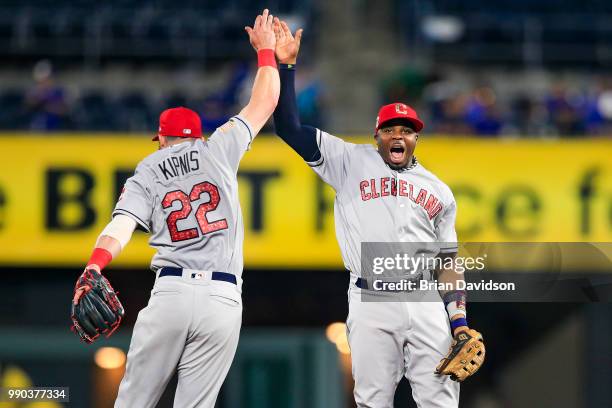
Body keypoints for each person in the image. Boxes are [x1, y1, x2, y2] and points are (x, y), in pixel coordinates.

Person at [70, 9, 280, 408]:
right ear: (196, 135)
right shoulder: (218, 147)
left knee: (132, 402)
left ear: (162, 138)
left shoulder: (148, 169)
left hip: (172, 291)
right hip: (223, 297)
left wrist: (94, 265)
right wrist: (267, 51)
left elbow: (120, 227)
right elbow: (266, 99)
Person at [272, 19, 484, 407]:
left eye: (406, 129)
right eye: (389, 129)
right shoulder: (349, 160)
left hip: (424, 301)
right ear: (376, 135)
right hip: (371, 298)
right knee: (372, 400)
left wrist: (459, 323)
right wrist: (285, 68)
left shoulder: (438, 190)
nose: (398, 135)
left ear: (416, 137)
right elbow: (288, 127)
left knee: (440, 401)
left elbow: (449, 263)